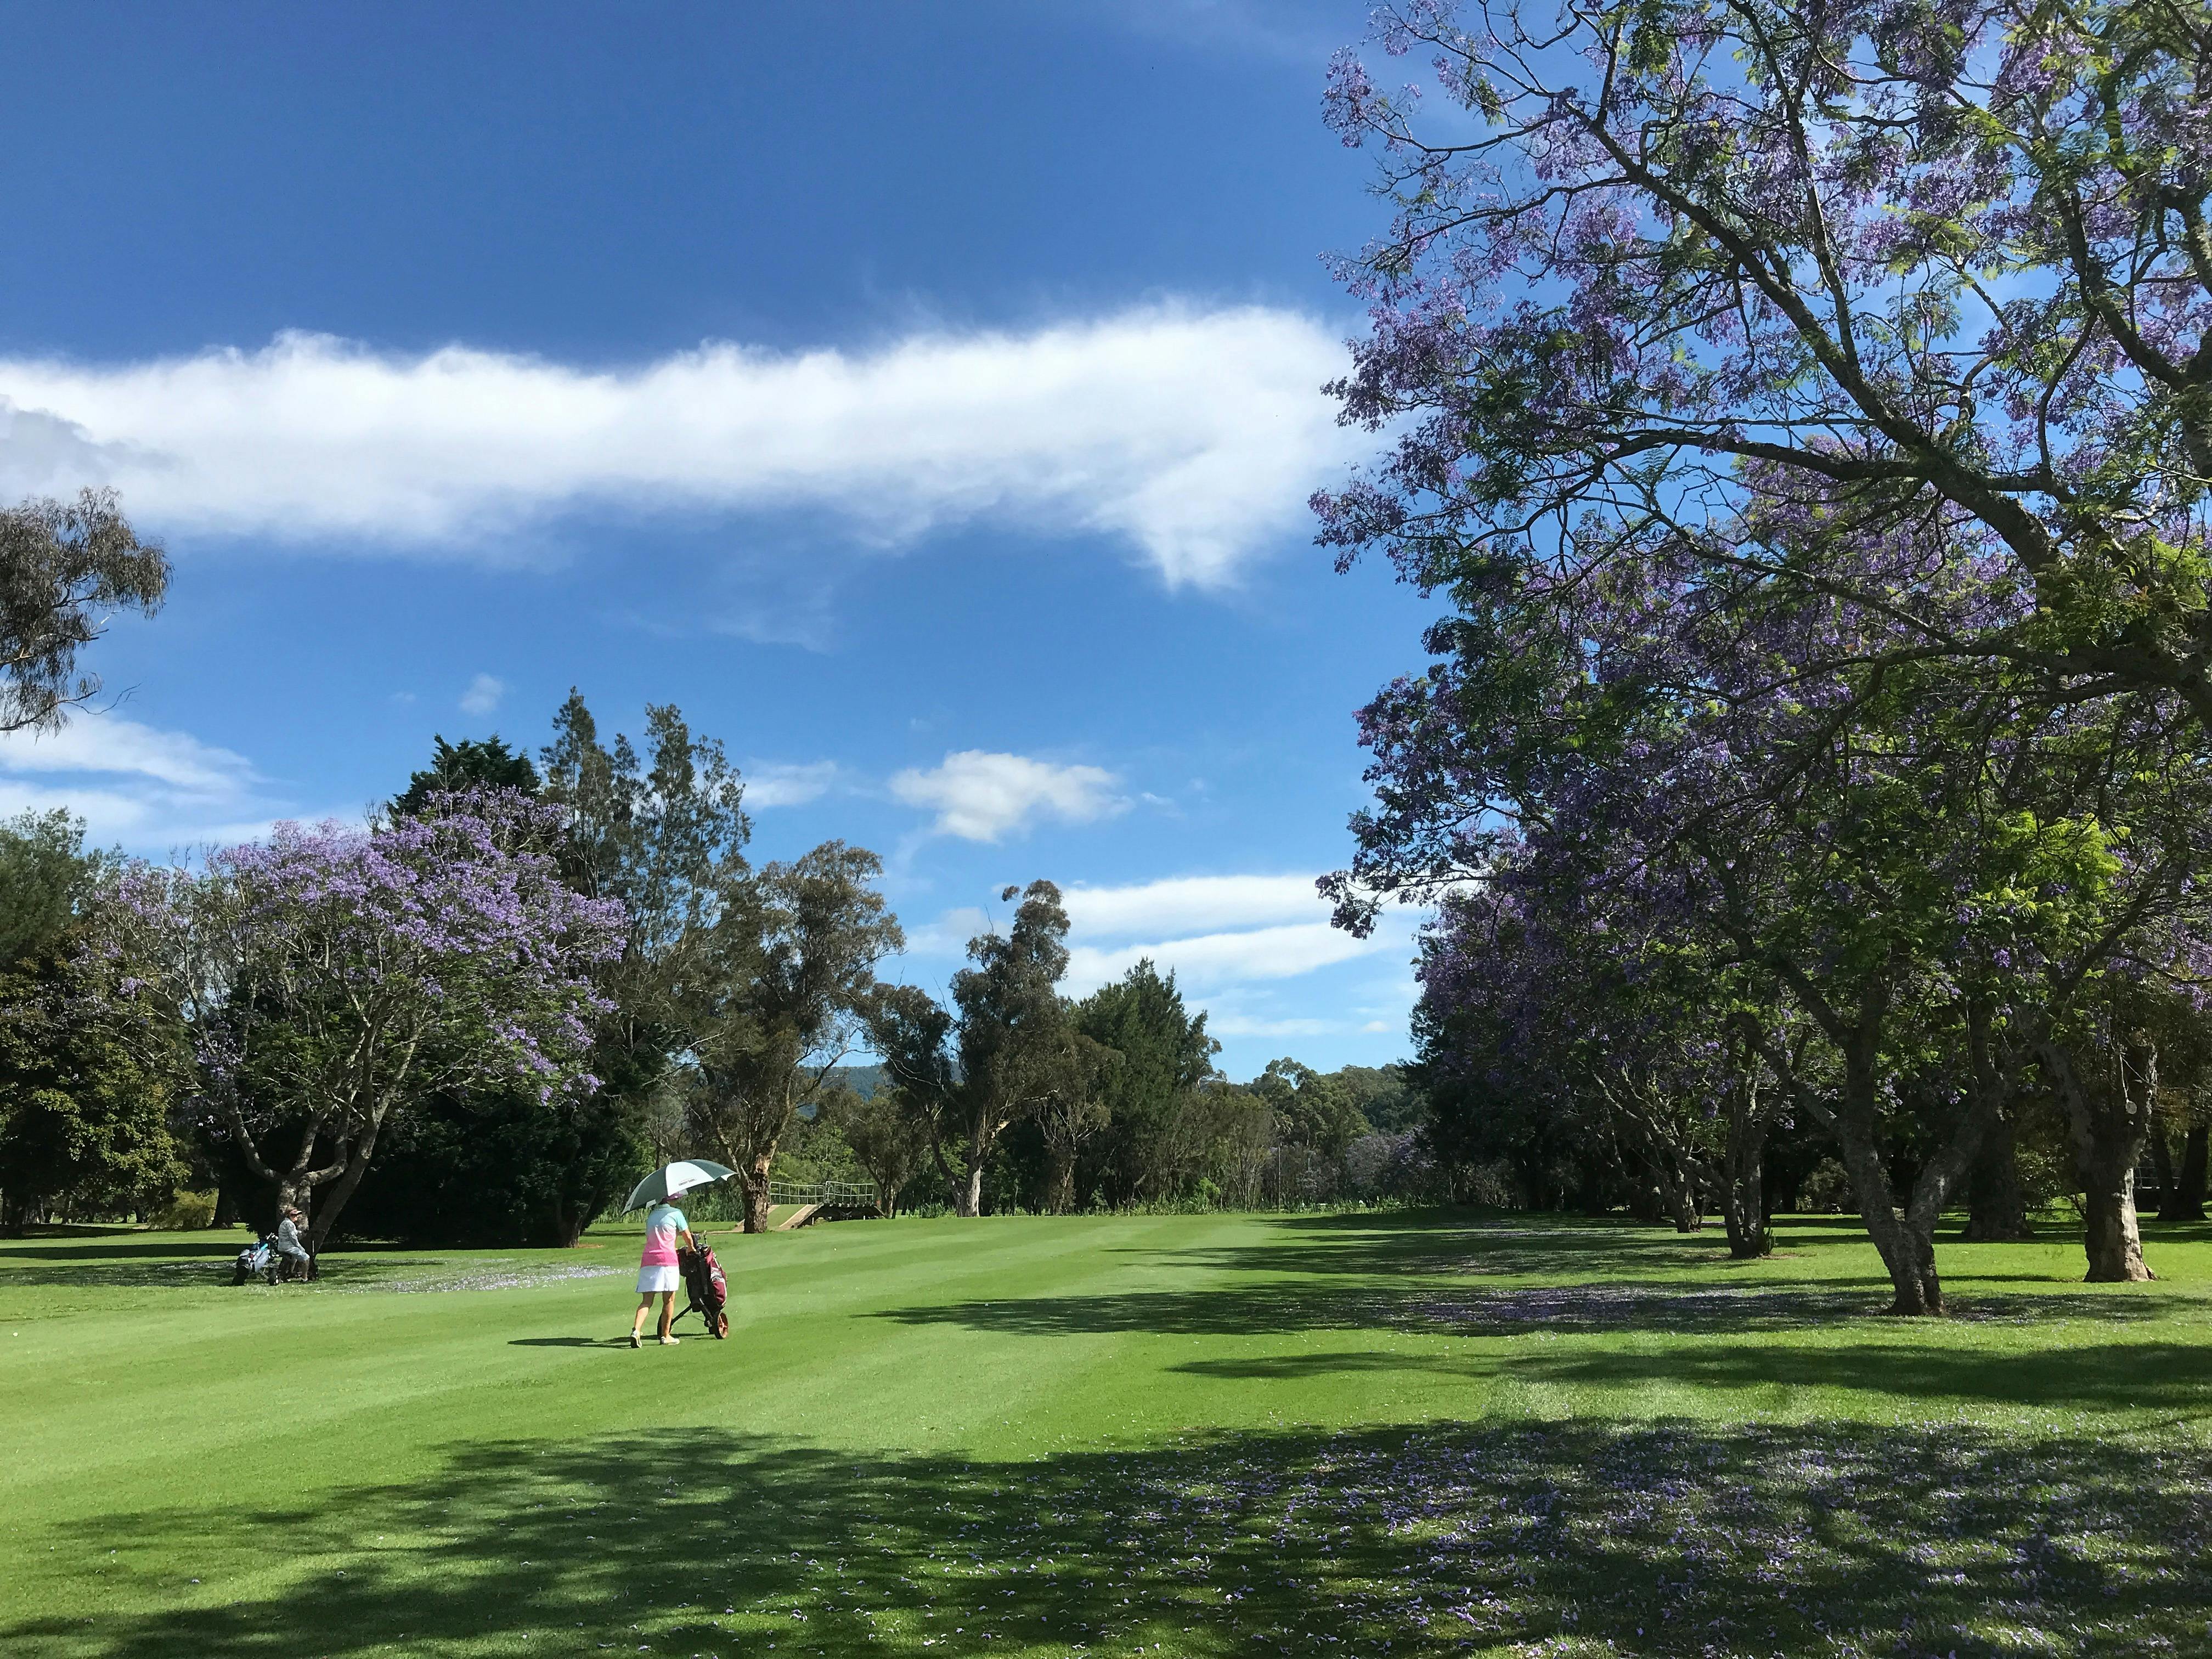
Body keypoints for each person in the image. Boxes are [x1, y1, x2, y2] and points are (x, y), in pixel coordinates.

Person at [630, 1196, 696, 1347]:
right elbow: (687, 1236)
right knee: (669, 1299)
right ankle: (665, 1336)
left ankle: (636, 1331)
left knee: (647, 1301)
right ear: (670, 1200)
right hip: (667, 1261)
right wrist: (691, 1249)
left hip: (648, 1260)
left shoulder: (652, 1215)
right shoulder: (676, 1213)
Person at [274, 1206, 312, 1282]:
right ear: (289, 1215)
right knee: (306, 1258)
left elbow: (292, 1232)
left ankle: (286, 1276)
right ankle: (305, 1278)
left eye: (297, 1215)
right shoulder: (290, 1224)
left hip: (282, 1246)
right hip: (288, 1247)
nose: (296, 1216)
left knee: (293, 1259)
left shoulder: (285, 1223)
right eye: (294, 1215)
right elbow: (293, 1238)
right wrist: (300, 1247)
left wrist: (299, 1232)